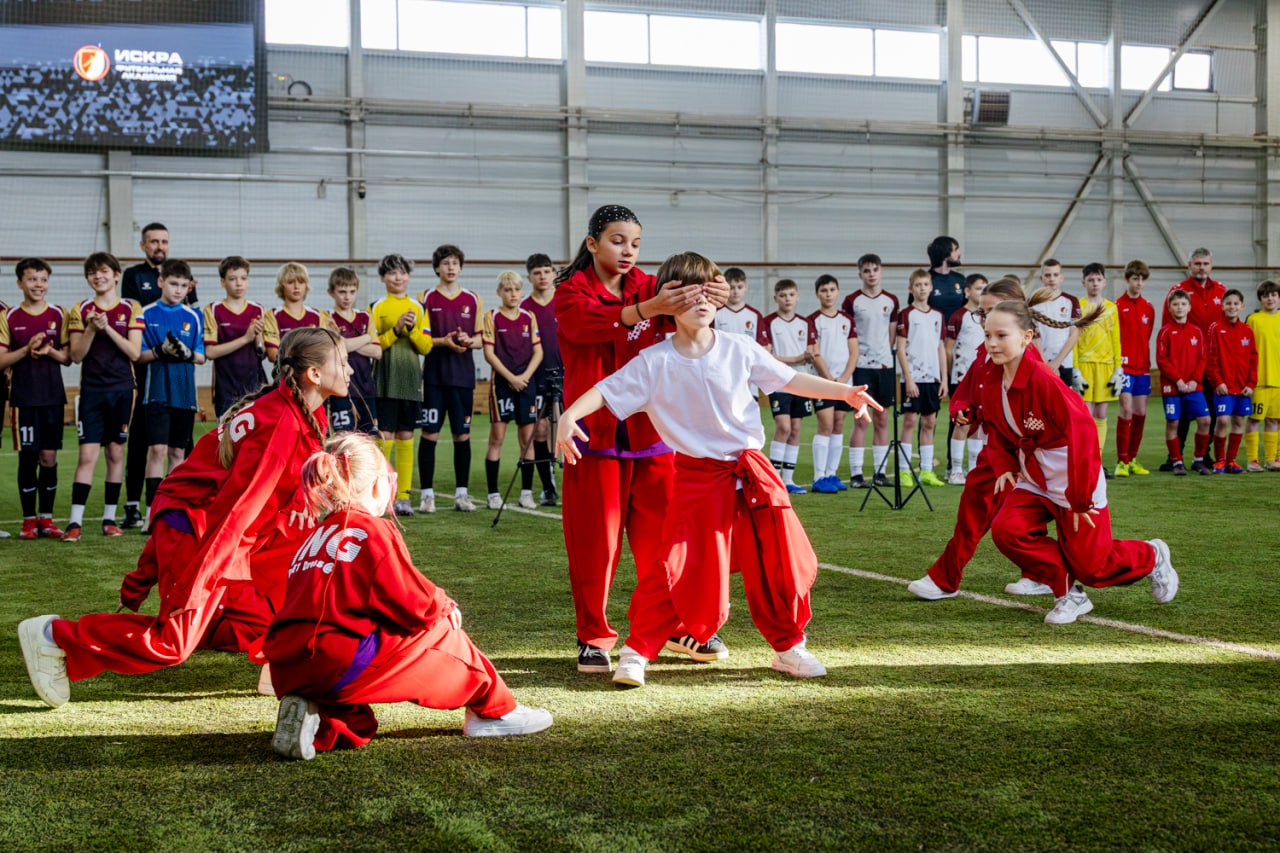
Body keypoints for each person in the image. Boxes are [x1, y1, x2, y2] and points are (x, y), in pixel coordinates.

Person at [555, 252, 881, 687]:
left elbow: (788, 379)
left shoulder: (739, 347)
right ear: (669, 302)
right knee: (679, 563)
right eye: (691, 292)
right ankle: (638, 650)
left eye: (710, 289)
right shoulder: (655, 361)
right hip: (696, 477)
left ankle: (788, 647)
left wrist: (846, 393)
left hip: (754, 474)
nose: (703, 299)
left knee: (780, 561)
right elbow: (603, 391)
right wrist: (567, 416)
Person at [17, 328, 353, 709]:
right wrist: (197, 581)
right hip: (196, 527)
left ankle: (257, 651)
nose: (350, 370)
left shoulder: (305, 412)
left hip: (199, 520)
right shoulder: (282, 423)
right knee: (171, 645)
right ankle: (56, 637)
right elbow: (235, 511)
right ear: (312, 374)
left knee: (262, 621)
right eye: (342, 362)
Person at [264, 432, 553, 760]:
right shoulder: (374, 530)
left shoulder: (314, 536)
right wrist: (443, 603)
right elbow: (414, 606)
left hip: (287, 667)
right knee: (444, 629)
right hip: (330, 661)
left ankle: (317, 722)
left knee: (357, 723)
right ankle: (494, 708)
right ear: (376, 485)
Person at [553, 204, 729, 673]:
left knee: (663, 545)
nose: (627, 250)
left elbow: (691, 314)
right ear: (592, 244)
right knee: (596, 547)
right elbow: (585, 325)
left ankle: (671, 628)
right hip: (594, 440)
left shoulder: (651, 285)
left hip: (654, 437)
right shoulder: (569, 292)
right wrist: (649, 309)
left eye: (634, 242)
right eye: (616, 240)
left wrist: (719, 293)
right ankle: (593, 637)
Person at [980, 295, 1178, 625]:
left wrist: (1080, 498)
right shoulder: (992, 379)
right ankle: (1068, 593)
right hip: (1037, 481)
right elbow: (997, 429)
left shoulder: (1044, 381)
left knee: (1095, 568)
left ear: (1027, 337)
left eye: (1001, 335)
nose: (992, 343)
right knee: (1007, 529)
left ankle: (1152, 555)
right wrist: (1003, 466)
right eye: (988, 335)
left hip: (1075, 483)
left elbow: (1084, 433)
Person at [909, 278, 1060, 601]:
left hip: (1023, 451)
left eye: (992, 312)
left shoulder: (1029, 358)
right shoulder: (986, 349)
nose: (986, 322)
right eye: (982, 314)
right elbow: (969, 390)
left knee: (1013, 518)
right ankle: (950, 578)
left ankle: (1049, 573)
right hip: (999, 449)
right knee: (978, 512)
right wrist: (964, 409)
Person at [120, 222, 196, 529]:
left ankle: (173, 506)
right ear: (143, 245)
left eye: (164, 241)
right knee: (142, 443)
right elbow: (132, 313)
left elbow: (192, 317)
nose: (159, 246)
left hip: (177, 379)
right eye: (153, 241)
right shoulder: (134, 276)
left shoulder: (181, 276)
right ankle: (133, 506)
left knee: (178, 446)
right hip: (142, 375)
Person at [65, 252, 143, 540]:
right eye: (92, 273)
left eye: (104, 272)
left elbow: (135, 353)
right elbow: (75, 355)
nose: (98, 277)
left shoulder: (131, 308)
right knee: (87, 455)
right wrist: (90, 329)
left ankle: (110, 519)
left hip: (123, 390)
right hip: (92, 392)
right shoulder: (80, 309)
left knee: (115, 452)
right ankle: (74, 522)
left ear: (116, 275)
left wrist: (107, 327)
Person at [0, 258, 70, 539]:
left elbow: (68, 357)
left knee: (49, 457)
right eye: (31, 280)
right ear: (20, 283)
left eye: (42, 280)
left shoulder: (59, 314)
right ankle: (28, 521)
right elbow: (2, 359)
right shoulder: (9, 316)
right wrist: (27, 349)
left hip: (52, 396)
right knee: (28, 457)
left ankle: (47, 519)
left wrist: (49, 352)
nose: (38, 285)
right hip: (24, 397)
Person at [137, 259, 207, 530]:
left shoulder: (193, 316)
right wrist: (160, 351)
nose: (178, 290)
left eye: (183, 286)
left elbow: (201, 356)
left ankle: (172, 512)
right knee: (156, 450)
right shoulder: (147, 312)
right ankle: (150, 514)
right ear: (161, 282)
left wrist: (187, 353)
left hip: (185, 394)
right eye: (173, 284)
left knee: (178, 452)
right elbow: (139, 355)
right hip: (156, 392)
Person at [418, 244, 482, 514]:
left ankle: (461, 495)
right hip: (434, 377)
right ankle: (427, 495)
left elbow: (481, 340)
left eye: (455, 263)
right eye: (445, 263)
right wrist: (442, 341)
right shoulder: (425, 297)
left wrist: (470, 340)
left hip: (463, 378)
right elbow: (419, 340)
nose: (451, 268)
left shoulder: (473, 298)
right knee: (430, 434)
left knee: (462, 435)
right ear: (437, 268)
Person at [370, 253, 433, 516]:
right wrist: (395, 330)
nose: (399, 278)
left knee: (407, 436)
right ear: (384, 277)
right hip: (384, 380)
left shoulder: (418, 308)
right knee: (385, 438)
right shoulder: (376, 306)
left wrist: (411, 331)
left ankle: (404, 496)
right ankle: (382, 496)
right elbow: (373, 345)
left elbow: (426, 347)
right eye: (393, 273)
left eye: (403, 273)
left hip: (409, 381)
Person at [482, 271, 543, 510]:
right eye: (508, 290)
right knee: (497, 437)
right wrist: (511, 378)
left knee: (527, 440)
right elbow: (489, 353)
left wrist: (524, 377)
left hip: (526, 385)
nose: (513, 294)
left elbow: (538, 351)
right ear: (499, 292)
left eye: (517, 289)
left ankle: (526, 493)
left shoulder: (529, 316)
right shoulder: (492, 316)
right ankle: (493, 494)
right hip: (502, 386)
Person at [1160, 248, 1225, 469]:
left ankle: (1203, 456)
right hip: (1184, 365)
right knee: (1181, 415)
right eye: (1197, 263)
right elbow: (1166, 328)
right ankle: (1175, 458)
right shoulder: (1178, 291)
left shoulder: (1221, 291)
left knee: (1210, 412)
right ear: (1189, 265)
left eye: (1205, 263)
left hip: (1212, 362)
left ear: (1211, 265)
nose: (1201, 267)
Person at [842, 253, 899, 488]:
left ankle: (880, 472)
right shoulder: (852, 301)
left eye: (875, 269)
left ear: (881, 271)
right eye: (866, 271)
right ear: (860, 274)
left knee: (883, 418)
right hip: (862, 367)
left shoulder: (892, 300)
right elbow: (847, 334)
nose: (871, 274)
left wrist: (885, 354)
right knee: (861, 420)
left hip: (884, 366)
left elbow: (892, 333)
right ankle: (856, 474)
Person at [764, 279, 817, 494]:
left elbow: (812, 352)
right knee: (783, 427)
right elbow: (767, 356)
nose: (787, 299)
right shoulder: (768, 322)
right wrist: (796, 358)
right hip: (779, 382)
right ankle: (773, 478)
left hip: (801, 382)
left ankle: (788, 479)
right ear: (775, 298)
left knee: (795, 429)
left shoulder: (805, 324)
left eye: (791, 295)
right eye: (783, 295)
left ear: (797, 297)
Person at [895, 269, 948, 488]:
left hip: (933, 378)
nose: (922, 288)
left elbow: (941, 347)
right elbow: (900, 348)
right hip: (913, 378)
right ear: (911, 288)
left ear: (931, 288)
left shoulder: (938, 315)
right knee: (909, 421)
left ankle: (927, 470)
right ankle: (905, 471)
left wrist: (944, 378)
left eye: (925, 284)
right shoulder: (906, 314)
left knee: (930, 422)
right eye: (918, 285)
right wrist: (908, 379)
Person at [808, 274, 857, 493]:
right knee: (825, 424)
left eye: (831, 290)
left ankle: (831, 473)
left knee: (839, 424)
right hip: (823, 381)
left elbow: (854, 351)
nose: (828, 294)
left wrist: (845, 377)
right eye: (824, 290)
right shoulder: (812, 320)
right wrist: (828, 379)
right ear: (817, 294)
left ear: (838, 292)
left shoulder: (847, 321)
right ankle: (818, 477)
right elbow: (815, 353)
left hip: (844, 381)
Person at [202, 256, 267, 419]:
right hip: (225, 387)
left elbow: (262, 351)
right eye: (232, 279)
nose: (239, 283)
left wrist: (258, 336)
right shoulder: (213, 309)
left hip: (253, 386)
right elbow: (210, 352)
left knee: (253, 438)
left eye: (243, 278)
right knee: (225, 439)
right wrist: (245, 338)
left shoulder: (257, 309)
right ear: (223, 282)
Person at [1156, 290, 1212, 476]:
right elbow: (1162, 360)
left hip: (1194, 387)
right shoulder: (1164, 332)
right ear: (1170, 308)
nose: (1179, 307)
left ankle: (1198, 460)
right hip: (1172, 387)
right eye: (1175, 304)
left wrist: (1195, 380)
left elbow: (1202, 358)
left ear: (1189, 307)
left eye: (1183, 304)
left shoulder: (1196, 331)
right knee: (1173, 423)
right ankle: (1176, 461)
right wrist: (1178, 380)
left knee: (1205, 420)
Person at [521, 253, 562, 506]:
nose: (543, 276)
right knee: (542, 430)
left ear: (554, 274)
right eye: (537, 272)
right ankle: (548, 487)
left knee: (572, 428)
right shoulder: (524, 307)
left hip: (568, 373)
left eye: (547, 271)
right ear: (530, 277)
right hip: (537, 376)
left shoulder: (564, 302)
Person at [1073, 263, 1123, 467]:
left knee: (1101, 414)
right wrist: (1075, 369)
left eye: (1098, 279)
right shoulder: (1079, 306)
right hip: (1085, 365)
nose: (1095, 283)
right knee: (1085, 415)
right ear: (1083, 282)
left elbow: (1116, 339)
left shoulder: (1111, 308)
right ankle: (1084, 458)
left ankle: (1097, 460)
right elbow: (1074, 340)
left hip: (1106, 367)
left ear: (1104, 282)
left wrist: (1118, 369)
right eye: (1091, 280)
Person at [326, 268, 381, 436]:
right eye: (342, 292)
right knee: (344, 437)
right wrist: (365, 338)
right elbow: (335, 349)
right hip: (340, 389)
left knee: (369, 439)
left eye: (352, 291)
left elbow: (378, 352)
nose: (347, 297)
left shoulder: (365, 317)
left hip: (365, 388)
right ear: (331, 292)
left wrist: (345, 342)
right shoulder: (326, 317)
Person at [1207, 289, 1257, 474]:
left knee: (1238, 422)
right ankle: (1219, 460)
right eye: (1228, 303)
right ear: (1222, 306)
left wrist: (1251, 384)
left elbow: (1253, 359)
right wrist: (1217, 382)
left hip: (1243, 388)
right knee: (1222, 420)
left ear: (1242, 306)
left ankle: (1232, 461)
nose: (1232, 307)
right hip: (1223, 388)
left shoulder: (1247, 331)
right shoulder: (1215, 328)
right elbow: (1210, 359)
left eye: (1236, 304)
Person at [1114, 260, 1156, 477]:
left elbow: (1146, 335)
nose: (1139, 283)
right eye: (1135, 279)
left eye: (1142, 279)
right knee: (1126, 409)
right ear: (1127, 279)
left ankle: (1133, 459)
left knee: (1140, 412)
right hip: (1124, 366)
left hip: (1143, 367)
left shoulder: (1149, 307)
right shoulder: (1117, 306)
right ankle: (1121, 461)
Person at [944, 273, 987, 483]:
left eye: (985, 289)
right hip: (962, 378)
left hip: (984, 379)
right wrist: (952, 375)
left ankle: (974, 468)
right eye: (979, 288)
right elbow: (949, 349)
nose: (982, 293)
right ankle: (955, 470)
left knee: (978, 424)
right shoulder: (958, 316)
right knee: (961, 423)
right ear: (967, 291)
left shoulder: (989, 316)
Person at [263, 263, 338, 363]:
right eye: (290, 282)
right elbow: (272, 354)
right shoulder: (272, 315)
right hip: (285, 375)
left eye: (301, 282)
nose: (296, 286)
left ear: (306, 286)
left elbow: (326, 351)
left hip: (314, 375)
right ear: (281, 286)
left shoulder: (320, 316)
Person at [1244, 279, 1280, 471]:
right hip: (1259, 380)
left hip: (1279, 380)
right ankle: (1252, 460)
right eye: (1266, 296)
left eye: (1273, 295)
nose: (1270, 299)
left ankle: (1272, 459)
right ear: (1260, 299)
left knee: (1274, 420)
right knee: (1255, 420)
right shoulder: (1253, 320)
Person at [1032, 259, 1081, 387]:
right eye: (1048, 275)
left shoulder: (1071, 301)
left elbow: (1075, 333)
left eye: (1055, 275)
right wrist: (1045, 363)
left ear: (1061, 277)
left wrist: (1056, 362)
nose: (1051, 279)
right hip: (1040, 362)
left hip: (1065, 362)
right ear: (1041, 278)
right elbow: (1032, 335)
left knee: (1064, 404)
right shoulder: (1032, 302)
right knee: (1041, 403)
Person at [713, 267, 768, 344]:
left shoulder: (755, 315)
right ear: (725, 287)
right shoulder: (714, 313)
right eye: (732, 287)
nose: (736, 291)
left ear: (746, 286)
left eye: (739, 287)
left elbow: (764, 346)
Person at [927, 235, 967, 319]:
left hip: (956, 330)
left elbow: (966, 306)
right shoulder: (926, 280)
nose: (959, 253)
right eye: (955, 250)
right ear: (944, 253)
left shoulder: (960, 279)